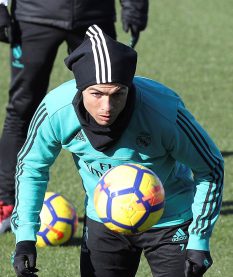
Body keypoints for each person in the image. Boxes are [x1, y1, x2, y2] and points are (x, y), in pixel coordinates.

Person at [11, 25, 224, 277]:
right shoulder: (56, 111)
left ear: (129, 87)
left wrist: (199, 238)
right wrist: (25, 236)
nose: (106, 107)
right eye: (96, 94)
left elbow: (211, 167)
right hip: (104, 221)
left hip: (171, 221)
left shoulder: (164, 112)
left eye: (117, 94)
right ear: (80, 88)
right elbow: (31, 167)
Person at [0, 0, 149, 233]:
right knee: (21, 109)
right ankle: (6, 202)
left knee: (108, 105)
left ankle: (120, 198)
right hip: (33, 15)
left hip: (94, 14)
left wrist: (135, 5)